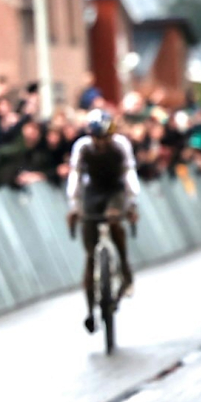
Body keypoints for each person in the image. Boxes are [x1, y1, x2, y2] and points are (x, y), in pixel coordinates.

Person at [66, 109, 140, 334]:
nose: (101, 143)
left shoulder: (121, 145)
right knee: (90, 254)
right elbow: (75, 175)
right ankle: (90, 310)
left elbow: (129, 173)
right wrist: (74, 206)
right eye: (97, 138)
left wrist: (132, 203)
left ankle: (125, 269)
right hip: (93, 191)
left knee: (114, 221)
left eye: (105, 138)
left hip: (115, 190)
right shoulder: (82, 147)